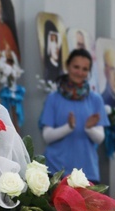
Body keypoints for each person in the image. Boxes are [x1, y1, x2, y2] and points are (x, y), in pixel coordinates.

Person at [39, 48, 109, 183]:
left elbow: (100, 138)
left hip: (87, 172)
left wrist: (89, 128)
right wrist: (68, 127)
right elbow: (47, 136)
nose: (80, 72)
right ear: (67, 66)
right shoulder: (53, 98)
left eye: (84, 69)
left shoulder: (95, 99)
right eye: (76, 67)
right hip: (56, 171)